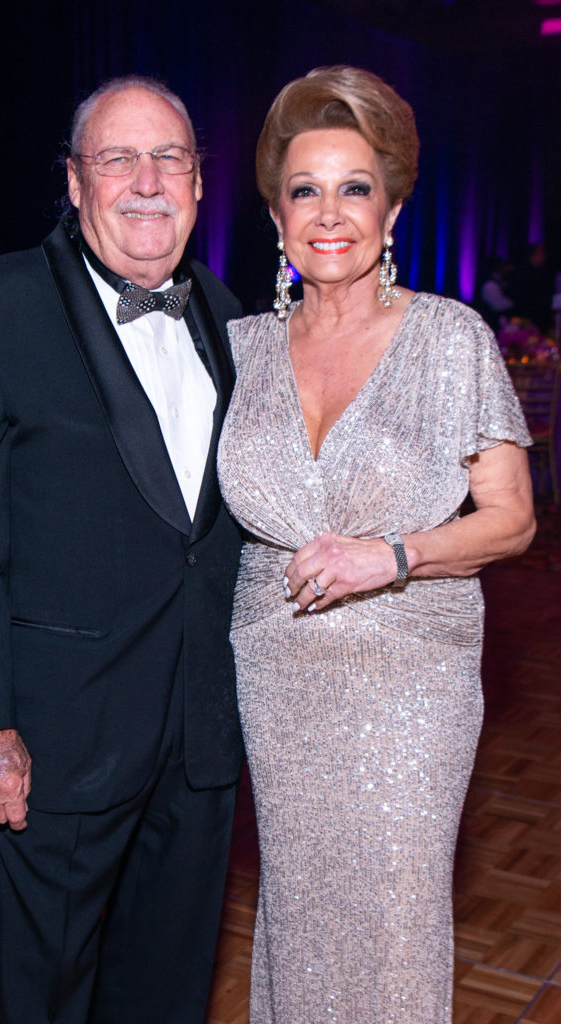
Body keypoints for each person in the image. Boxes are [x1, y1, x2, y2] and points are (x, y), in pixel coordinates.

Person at [0, 75, 244, 1024]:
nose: (146, 181)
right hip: (58, 736)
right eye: (116, 158)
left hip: (202, 730)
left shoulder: (235, 318)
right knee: (42, 994)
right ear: (73, 180)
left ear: (200, 181)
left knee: (168, 988)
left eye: (168, 157)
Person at [217, 66, 536, 1024]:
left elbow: (511, 518)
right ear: (275, 218)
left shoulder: (448, 337)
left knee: (392, 912)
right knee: (300, 909)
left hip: (410, 676)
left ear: (392, 209)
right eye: (303, 190)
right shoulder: (234, 348)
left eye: (354, 187)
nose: (329, 212)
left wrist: (388, 555)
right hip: (275, 671)